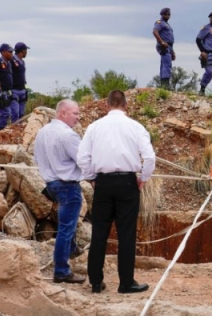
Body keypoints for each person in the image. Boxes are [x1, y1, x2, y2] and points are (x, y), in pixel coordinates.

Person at [77, 90, 155, 294]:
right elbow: (150, 158)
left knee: (99, 233)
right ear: (126, 105)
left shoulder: (94, 127)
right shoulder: (136, 127)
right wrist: (143, 179)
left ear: (107, 105)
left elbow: (82, 157)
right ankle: (126, 283)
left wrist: (92, 178)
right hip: (128, 183)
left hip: (103, 183)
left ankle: (95, 282)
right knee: (126, 234)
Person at [34, 99, 86, 285]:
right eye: (75, 113)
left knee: (66, 223)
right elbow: (84, 160)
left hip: (51, 185)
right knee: (66, 228)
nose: (78, 118)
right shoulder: (68, 135)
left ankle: (71, 249)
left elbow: (36, 158)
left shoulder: (42, 132)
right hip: (67, 185)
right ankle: (62, 271)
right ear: (63, 113)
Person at [0, 44, 14, 131]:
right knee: (5, 112)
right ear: (3, 52)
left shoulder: (9, 63)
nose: (12, 53)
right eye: (10, 51)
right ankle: (1, 131)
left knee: (1, 112)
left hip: (7, 91)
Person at [153, 8, 175, 90]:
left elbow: (170, 39)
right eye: (166, 14)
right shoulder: (160, 23)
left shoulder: (167, 24)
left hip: (169, 46)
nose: (167, 15)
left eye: (169, 14)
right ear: (162, 14)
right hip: (164, 45)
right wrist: (161, 42)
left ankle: (163, 84)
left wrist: (172, 51)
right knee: (167, 64)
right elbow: (155, 31)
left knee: (164, 64)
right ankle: (165, 84)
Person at [10, 42, 29, 122]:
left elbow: (23, 76)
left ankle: (19, 131)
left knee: (21, 114)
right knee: (15, 114)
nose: (27, 52)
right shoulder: (12, 60)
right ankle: (13, 131)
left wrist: (26, 88)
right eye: (26, 50)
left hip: (22, 90)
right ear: (22, 51)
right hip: (14, 90)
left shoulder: (22, 62)